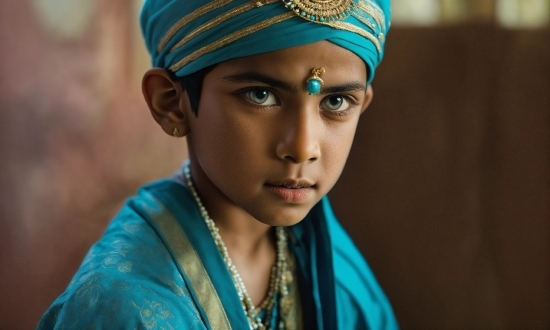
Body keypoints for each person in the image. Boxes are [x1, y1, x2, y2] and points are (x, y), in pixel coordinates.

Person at [38, 0, 398, 329]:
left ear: (362, 105)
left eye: (335, 101)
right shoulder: (124, 309)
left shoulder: (334, 270)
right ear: (171, 103)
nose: (303, 148)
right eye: (261, 95)